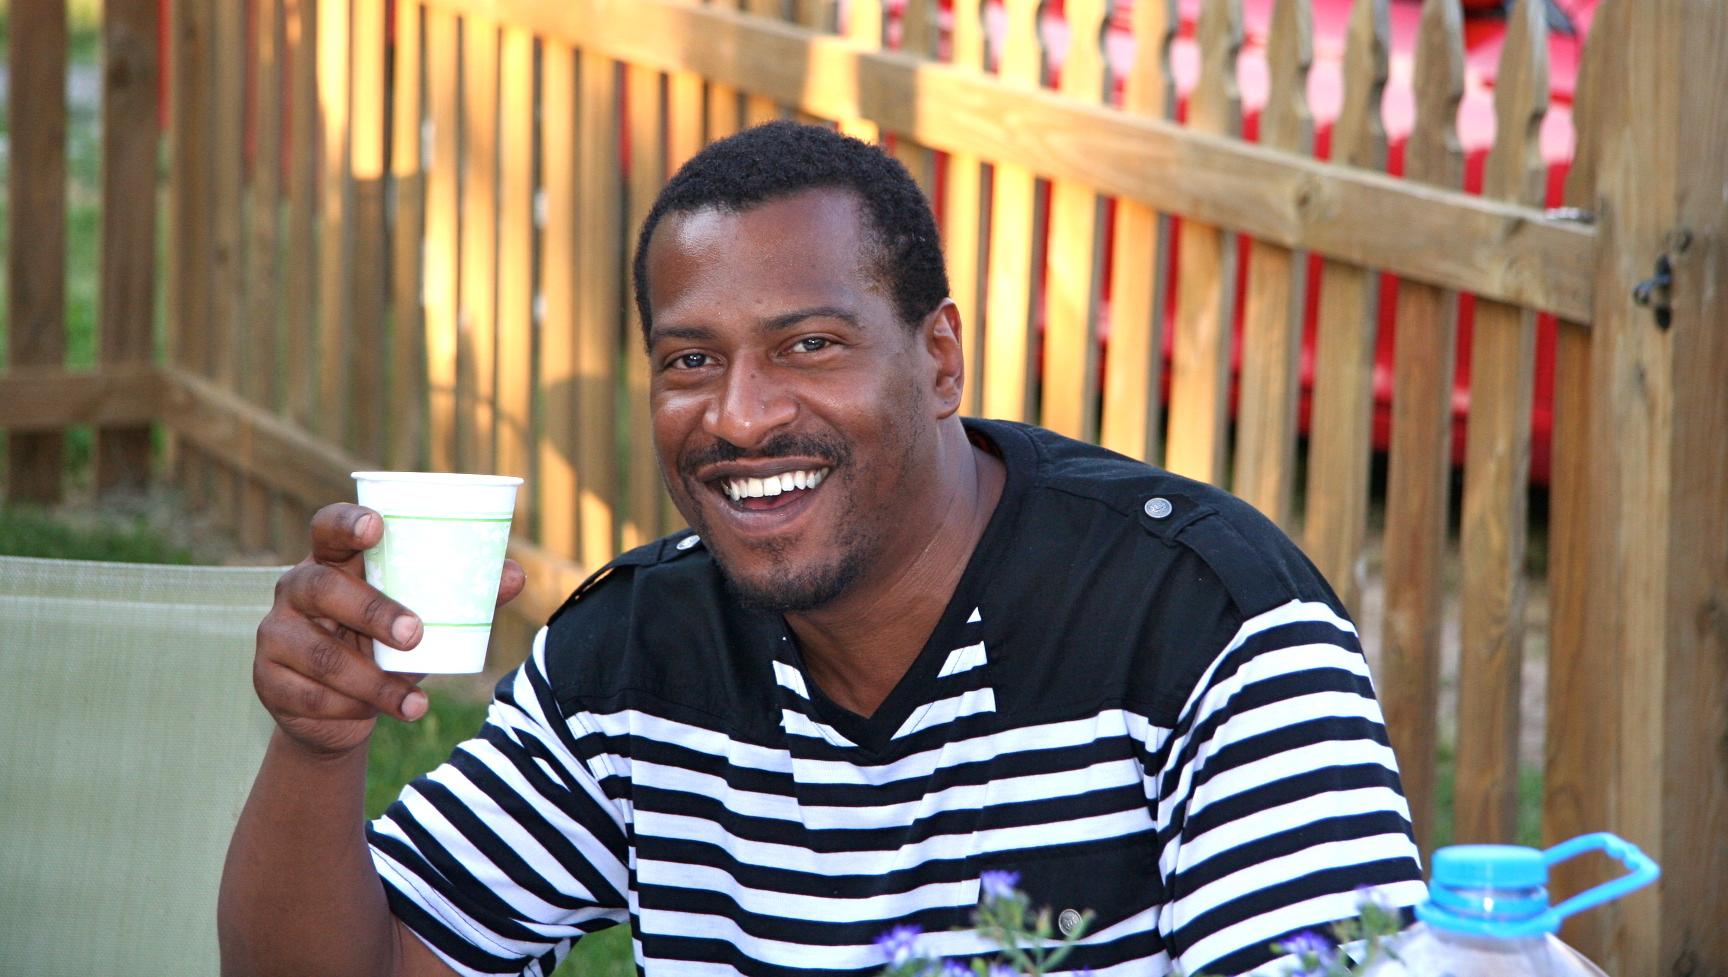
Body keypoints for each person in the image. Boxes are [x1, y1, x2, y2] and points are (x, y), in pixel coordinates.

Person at [219, 121, 1425, 977]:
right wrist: (319, 745)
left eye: (809, 346)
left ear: (939, 360)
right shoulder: (635, 660)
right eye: (692, 360)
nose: (740, 416)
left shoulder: (1209, 627)